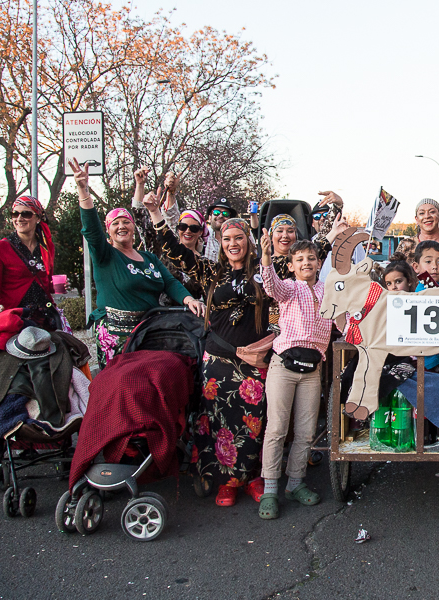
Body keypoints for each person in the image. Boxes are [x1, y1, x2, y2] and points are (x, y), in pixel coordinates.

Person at [141, 195, 271, 507]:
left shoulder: (265, 269)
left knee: (254, 421)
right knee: (219, 421)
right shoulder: (211, 271)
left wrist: (332, 230)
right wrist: (156, 212)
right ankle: (225, 482)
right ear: (220, 242)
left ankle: (253, 477)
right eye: (226, 239)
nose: (233, 243)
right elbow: (174, 250)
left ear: (248, 240)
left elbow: (304, 256)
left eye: (238, 237)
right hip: (218, 360)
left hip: (253, 361)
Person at [68, 158, 205, 368]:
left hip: (150, 331)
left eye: (126, 222)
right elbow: (91, 230)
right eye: (115, 223)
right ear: (109, 231)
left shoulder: (149, 258)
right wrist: (83, 191)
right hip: (117, 336)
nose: (121, 226)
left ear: (133, 229)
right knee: (123, 385)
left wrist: (188, 300)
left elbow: (169, 282)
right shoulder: (106, 255)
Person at [259, 236, 334, 519]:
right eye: (300, 259)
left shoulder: (328, 291)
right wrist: (266, 257)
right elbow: (271, 286)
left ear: (318, 263)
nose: (306, 263)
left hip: (312, 371)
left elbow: (345, 312)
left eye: (311, 258)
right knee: (277, 429)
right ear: (291, 266)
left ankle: (294, 484)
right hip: (284, 367)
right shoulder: (289, 289)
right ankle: (269, 489)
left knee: (305, 432)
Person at [0, 196, 65, 331]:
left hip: (45, 316)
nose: (19, 218)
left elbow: (45, 284)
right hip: (14, 318)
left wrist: (56, 287)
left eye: (26, 214)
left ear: (38, 218)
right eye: (15, 214)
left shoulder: (46, 247)